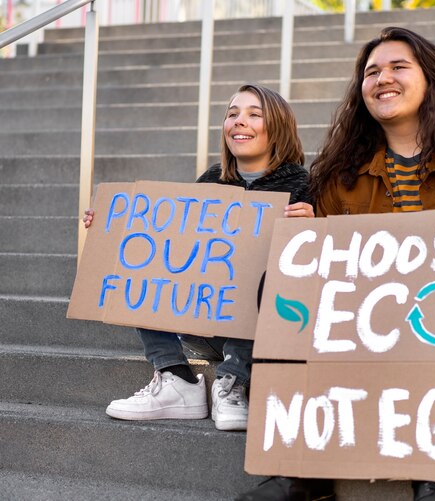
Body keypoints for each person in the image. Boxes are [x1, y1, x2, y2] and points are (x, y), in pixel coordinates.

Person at [236, 26, 435, 501]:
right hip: (370, 325)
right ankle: (302, 467)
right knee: (278, 282)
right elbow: (320, 274)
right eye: (372, 71)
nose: (383, 78)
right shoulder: (341, 175)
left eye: (399, 66)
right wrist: (302, 240)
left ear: (431, 79)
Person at [84, 84, 314, 431]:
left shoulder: (303, 185)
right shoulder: (210, 181)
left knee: (272, 272)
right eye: (232, 114)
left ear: (278, 126)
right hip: (208, 322)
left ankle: (232, 383)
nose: (239, 121)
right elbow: (179, 246)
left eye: (254, 114)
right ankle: (176, 378)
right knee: (148, 255)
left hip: (267, 329)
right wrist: (114, 226)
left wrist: (315, 228)